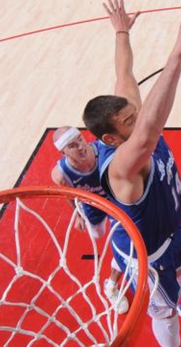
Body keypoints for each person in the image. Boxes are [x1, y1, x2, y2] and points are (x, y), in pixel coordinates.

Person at [82, 0, 181, 347]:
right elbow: (148, 131)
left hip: (172, 228)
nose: (139, 116)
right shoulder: (123, 167)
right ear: (111, 139)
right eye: (131, 120)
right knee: (164, 312)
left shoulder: (125, 120)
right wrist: (177, 55)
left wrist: (121, 32)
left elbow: (125, 74)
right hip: (146, 253)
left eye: (135, 112)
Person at [51, 126, 129, 315]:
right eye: (72, 145)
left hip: (116, 200)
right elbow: (69, 195)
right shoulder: (60, 175)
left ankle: (111, 285)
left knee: (125, 245)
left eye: (80, 139)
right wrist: (77, 214)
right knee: (97, 234)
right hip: (92, 205)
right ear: (63, 152)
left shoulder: (105, 150)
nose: (80, 146)